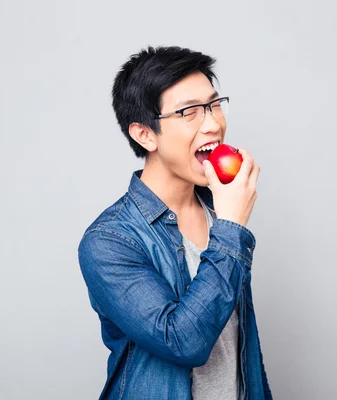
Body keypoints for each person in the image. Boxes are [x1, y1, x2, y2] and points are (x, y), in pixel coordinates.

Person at [77, 46, 272, 400]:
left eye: (214, 105)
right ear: (144, 135)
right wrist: (231, 229)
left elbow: (239, 352)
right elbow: (183, 341)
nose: (213, 123)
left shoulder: (220, 208)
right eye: (189, 112)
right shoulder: (109, 241)